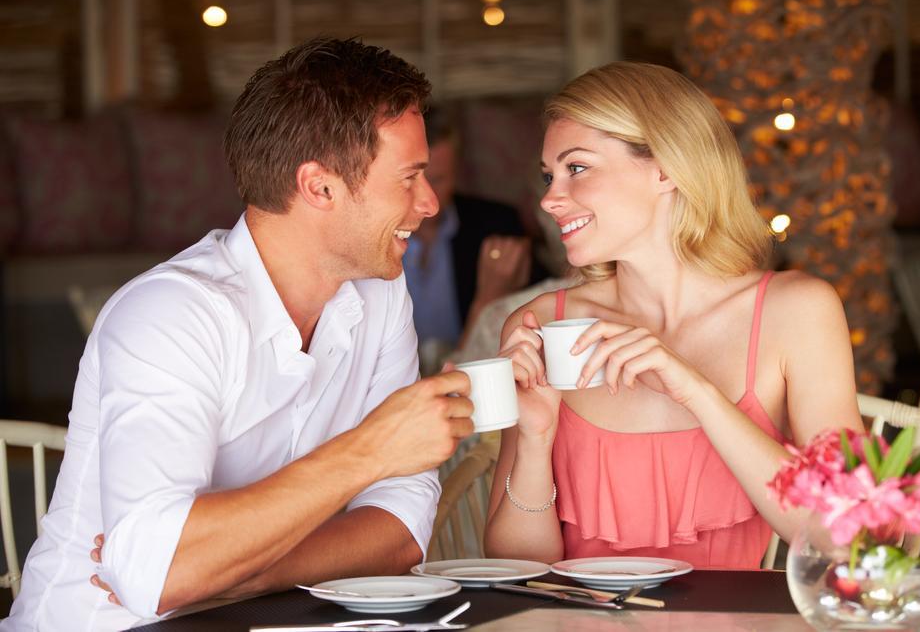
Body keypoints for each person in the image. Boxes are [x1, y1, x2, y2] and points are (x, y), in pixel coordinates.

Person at [3, 37, 475, 631]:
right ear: (319, 187)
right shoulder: (171, 315)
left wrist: (236, 571)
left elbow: (403, 530)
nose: (429, 203)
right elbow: (162, 576)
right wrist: (371, 449)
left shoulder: (380, 293)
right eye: (409, 178)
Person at [482, 62, 865, 569]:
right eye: (549, 176)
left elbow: (846, 538)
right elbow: (515, 568)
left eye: (577, 168)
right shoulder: (539, 328)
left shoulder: (796, 312)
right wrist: (533, 439)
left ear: (666, 168)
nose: (551, 199)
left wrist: (695, 392)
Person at [402, 106, 533, 355]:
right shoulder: (368, 236)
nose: (427, 196)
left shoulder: (497, 226)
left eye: (438, 179)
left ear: (457, 172)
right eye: (413, 180)